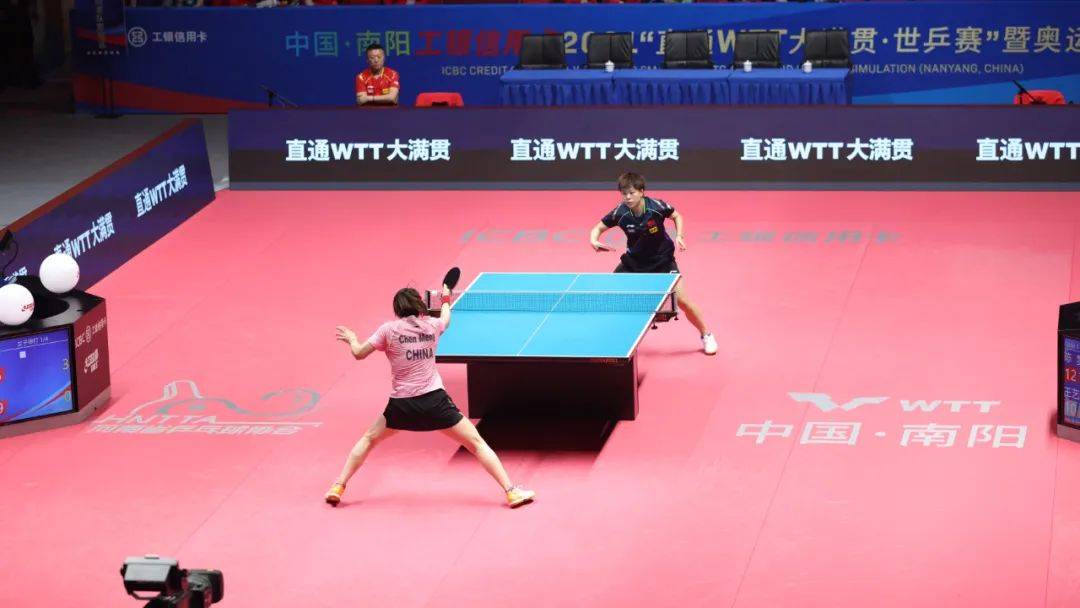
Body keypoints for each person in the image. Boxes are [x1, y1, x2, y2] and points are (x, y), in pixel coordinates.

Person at [326, 283, 535, 508]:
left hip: (402, 406)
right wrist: (445, 298)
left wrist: (352, 339)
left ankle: (338, 486)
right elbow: (446, 317)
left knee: (369, 439)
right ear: (419, 305)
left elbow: (359, 353)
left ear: (397, 309)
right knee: (476, 443)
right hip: (435, 403)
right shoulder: (432, 326)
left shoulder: (388, 330)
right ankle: (511, 492)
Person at [588, 172, 718, 356]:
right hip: (634, 262)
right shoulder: (620, 212)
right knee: (609, 297)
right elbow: (598, 228)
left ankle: (706, 334)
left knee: (683, 301)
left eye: (632, 193)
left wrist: (679, 235)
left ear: (642, 191)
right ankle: (608, 339)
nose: (628, 197)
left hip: (662, 261)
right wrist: (594, 240)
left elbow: (677, 216)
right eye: (624, 194)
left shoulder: (656, 207)